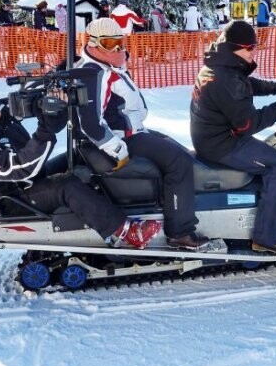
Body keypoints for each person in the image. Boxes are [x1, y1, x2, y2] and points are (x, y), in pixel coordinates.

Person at [0, 85, 161, 250]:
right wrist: (46, 130)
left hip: (33, 182)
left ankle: (114, 200)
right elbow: (23, 167)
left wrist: (51, 100)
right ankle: (125, 232)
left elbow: (23, 103)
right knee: (66, 185)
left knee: (78, 156)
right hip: (15, 200)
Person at [72, 18, 210, 250]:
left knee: (176, 149)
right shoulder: (94, 72)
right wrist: (118, 150)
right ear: (94, 44)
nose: (117, 48)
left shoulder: (105, 66)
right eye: (109, 43)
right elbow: (90, 123)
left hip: (131, 130)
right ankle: (180, 232)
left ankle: (170, 204)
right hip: (122, 138)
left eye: (120, 42)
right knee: (180, 162)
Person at [190, 20, 276, 254]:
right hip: (222, 144)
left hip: (214, 137)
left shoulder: (222, 66)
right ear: (233, 48)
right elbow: (248, 124)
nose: (253, 51)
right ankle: (268, 237)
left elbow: (247, 84)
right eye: (249, 47)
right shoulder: (224, 78)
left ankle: (267, 213)